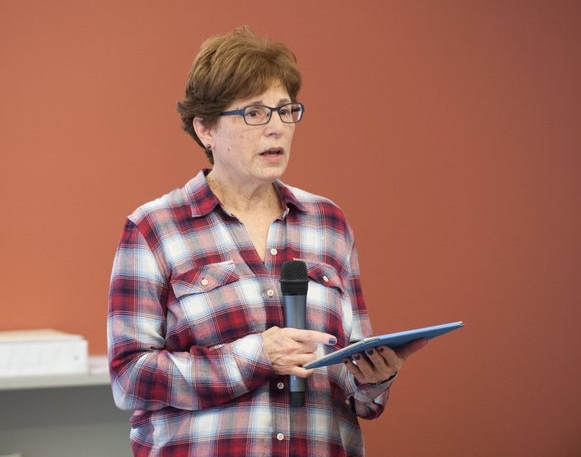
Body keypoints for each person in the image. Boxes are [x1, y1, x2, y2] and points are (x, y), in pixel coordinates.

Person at [107, 26, 427, 457]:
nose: (276, 128)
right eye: (254, 113)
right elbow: (130, 377)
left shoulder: (328, 222)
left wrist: (373, 377)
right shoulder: (154, 228)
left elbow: (355, 386)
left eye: (285, 110)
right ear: (206, 129)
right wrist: (255, 355)